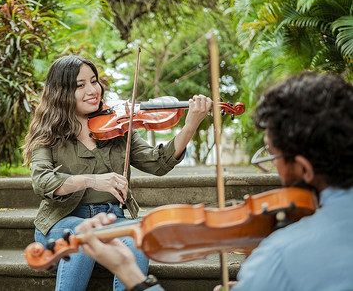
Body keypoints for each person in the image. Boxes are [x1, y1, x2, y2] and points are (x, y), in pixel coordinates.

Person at [75, 71, 353, 291]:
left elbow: (157, 162)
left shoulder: (280, 257)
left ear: (304, 169)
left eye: (273, 157)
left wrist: (130, 275)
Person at [22, 54, 213, 291]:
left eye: (94, 81)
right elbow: (42, 181)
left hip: (112, 222)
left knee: (138, 239)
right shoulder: (47, 133)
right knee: (82, 236)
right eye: (80, 85)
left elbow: (157, 163)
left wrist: (190, 125)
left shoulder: (119, 125)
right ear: (60, 92)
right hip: (61, 222)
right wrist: (92, 181)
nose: (93, 90)